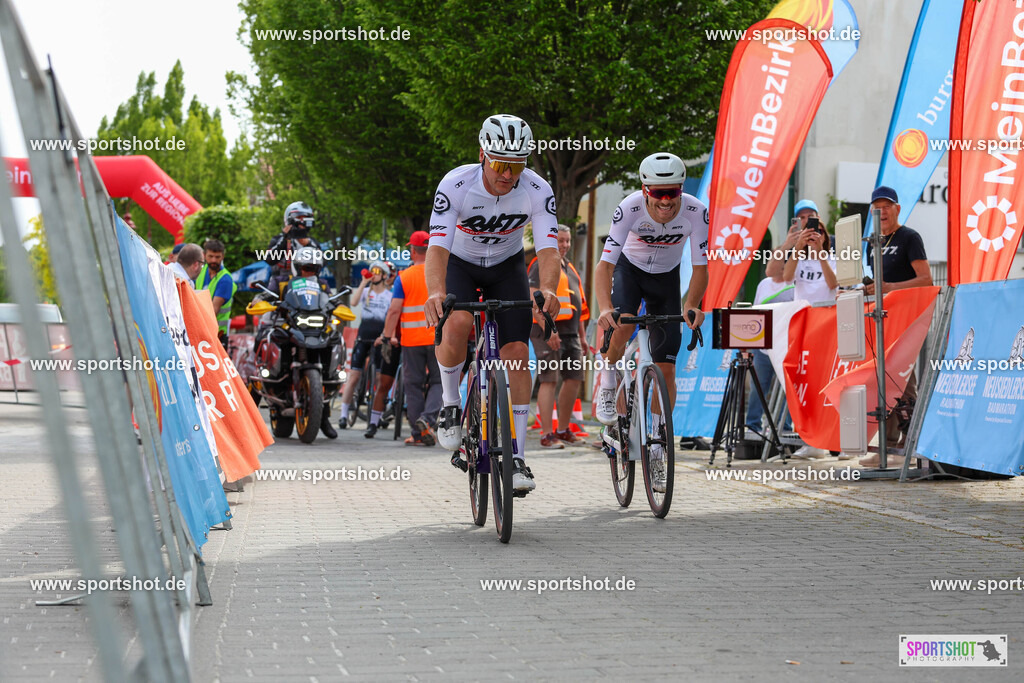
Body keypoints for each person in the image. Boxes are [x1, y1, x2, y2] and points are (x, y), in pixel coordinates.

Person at [423, 114, 561, 493]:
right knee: (458, 322)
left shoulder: (536, 189)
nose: (507, 174)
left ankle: (516, 454)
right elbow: (436, 248)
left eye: (516, 165)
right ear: (482, 155)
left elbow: (549, 250)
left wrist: (548, 288)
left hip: (507, 266)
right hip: (461, 265)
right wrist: (435, 292)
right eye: (500, 164)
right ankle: (451, 403)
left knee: (517, 351)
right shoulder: (456, 184)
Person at [594, 152, 708, 492]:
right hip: (630, 272)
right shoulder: (628, 209)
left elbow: (701, 267)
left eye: (671, 192)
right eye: (657, 193)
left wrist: (691, 304)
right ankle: (609, 379)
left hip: (665, 280)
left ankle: (657, 444)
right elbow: (605, 266)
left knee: (667, 367)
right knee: (624, 321)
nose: (665, 200)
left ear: (680, 190)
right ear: (645, 191)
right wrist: (604, 307)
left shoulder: (695, 211)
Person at [862, 185, 933, 463]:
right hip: (883, 320)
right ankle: (887, 446)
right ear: (871, 211)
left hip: (909, 318)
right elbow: (878, 282)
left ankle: (909, 441)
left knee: (904, 380)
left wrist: (889, 287)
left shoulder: (909, 237)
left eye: (887, 206)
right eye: (877, 207)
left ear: (897, 209)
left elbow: (926, 278)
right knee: (885, 380)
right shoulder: (873, 242)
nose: (882, 212)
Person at [257, 246, 338, 439]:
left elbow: (332, 301)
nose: (309, 272)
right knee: (265, 336)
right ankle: (254, 402)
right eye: (305, 267)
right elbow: (266, 294)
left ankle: (322, 414)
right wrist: (260, 299)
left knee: (334, 339)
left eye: (314, 269)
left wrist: (340, 305)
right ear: (296, 267)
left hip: (316, 328)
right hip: (289, 325)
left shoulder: (323, 284)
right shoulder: (281, 280)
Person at [528, 225, 589, 449]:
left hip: (571, 332)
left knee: (574, 379)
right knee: (549, 379)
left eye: (567, 241)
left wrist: (582, 337)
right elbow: (534, 300)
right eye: (560, 241)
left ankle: (563, 430)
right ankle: (547, 434)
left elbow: (579, 306)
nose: (564, 245)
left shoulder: (570, 268)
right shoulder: (540, 264)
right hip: (546, 330)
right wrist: (548, 328)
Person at [380, 231, 441, 445]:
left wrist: (387, 338)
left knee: (413, 385)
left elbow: (394, 310)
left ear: (412, 251)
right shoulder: (441, 274)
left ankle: (418, 433)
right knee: (439, 381)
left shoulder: (403, 277)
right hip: (438, 338)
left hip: (412, 340)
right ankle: (429, 419)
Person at [339, 260, 394, 429]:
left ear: (385, 275)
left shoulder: (389, 295)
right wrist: (363, 282)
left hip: (379, 339)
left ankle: (378, 413)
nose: (374, 273)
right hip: (363, 338)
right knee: (354, 376)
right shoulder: (365, 292)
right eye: (372, 271)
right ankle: (343, 414)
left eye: (378, 271)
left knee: (379, 378)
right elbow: (354, 302)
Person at [766, 199, 838, 304]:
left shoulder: (833, 244)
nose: (807, 221)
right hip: (803, 312)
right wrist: (791, 246)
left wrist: (819, 252)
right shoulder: (795, 247)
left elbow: (833, 284)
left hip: (825, 312)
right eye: (802, 218)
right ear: (797, 222)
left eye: (810, 216)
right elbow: (777, 275)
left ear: (818, 218)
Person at [266, 201, 324, 277]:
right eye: (299, 217)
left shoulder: (311, 241)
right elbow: (269, 259)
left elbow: (323, 262)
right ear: (290, 218)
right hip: (282, 281)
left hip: (307, 283)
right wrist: (285, 239)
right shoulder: (278, 239)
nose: (303, 221)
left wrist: (308, 244)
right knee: (272, 286)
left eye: (306, 218)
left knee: (324, 285)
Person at [197, 239, 237, 334]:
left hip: (217, 334)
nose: (214, 260)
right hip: (203, 329)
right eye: (210, 256)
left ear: (223, 256)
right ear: (204, 255)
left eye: (217, 257)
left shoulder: (225, 279)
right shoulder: (201, 271)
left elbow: (213, 311)